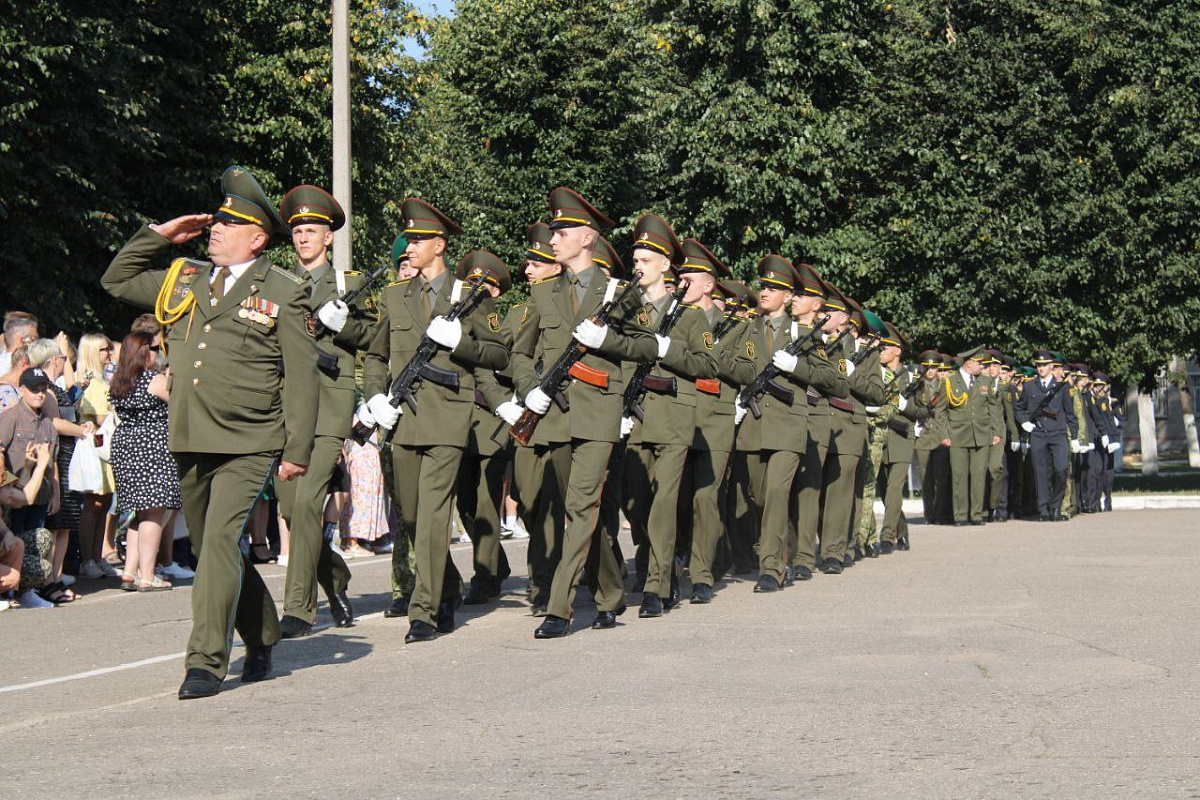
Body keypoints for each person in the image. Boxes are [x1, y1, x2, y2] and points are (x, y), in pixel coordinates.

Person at [102, 165, 319, 700]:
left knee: (220, 540)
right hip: (191, 434)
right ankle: (263, 632)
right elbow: (117, 280)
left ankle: (204, 661)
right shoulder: (187, 278)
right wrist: (160, 235)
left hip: (250, 438)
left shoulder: (284, 291)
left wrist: (297, 449)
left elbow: (301, 376)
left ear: (257, 238)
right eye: (215, 221)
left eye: (229, 224)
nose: (215, 229)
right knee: (212, 547)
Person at [510, 187, 655, 638]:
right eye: (553, 232)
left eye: (562, 232)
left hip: (597, 415)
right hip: (553, 416)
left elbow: (649, 347)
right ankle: (610, 593)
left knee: (580, 505)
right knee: (582, 513)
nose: (553, 239)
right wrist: (529, 390)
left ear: (587, 238)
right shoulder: (543, 292)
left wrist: (607, 341)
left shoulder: (618, 292)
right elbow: (519, 353)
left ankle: (560, 608)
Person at [361, 199, 508, 643]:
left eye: (418, 239)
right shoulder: (395, 296)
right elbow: (375, 356)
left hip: (448, 418)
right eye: (408, 239)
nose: (409, 247)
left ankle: (423, 612)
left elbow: (498, 354)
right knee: (411, 515)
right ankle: (445, 587)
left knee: (433, 517)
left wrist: (461, 342)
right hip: (404, 419)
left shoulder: (469, 295)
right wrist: (374, 397)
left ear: (439, 245)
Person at [272, 184, 373, 638]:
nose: (303, 238)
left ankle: (298, 609)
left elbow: (375, 338)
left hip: (329, 407)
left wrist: (343, 325)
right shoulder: (277, 283)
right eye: (298, 232)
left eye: (311, 231)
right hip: (284, 408)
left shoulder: (349, 285)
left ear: (328, 237)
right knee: (292, 510)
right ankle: (334, 579)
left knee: (309, 502)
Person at [620, 214, 717, 616]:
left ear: (665, 265)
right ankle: (663, 561)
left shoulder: (691, 317)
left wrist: (668, 350)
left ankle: (657, 586)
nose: (638, 266)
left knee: (663, 502)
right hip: (634, 416)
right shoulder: (626, 311)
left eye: (646, 259)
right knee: (635, 501)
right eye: (635, 259)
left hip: (674, 417)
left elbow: (708, 364)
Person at [108, 332, 182, 592]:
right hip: (152, 445)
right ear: (144, 353)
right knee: (154, 511)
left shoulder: (119, 381)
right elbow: (180, 403)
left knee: (138, 512)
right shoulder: (154, 380)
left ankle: (130, 572)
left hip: (126, 445)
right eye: (153, 349)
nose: (157, 353)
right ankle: (148, 575)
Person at [27, 338, 93, 596]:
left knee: (66, 521)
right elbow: (55, 422)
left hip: (68, 456)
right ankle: (48, 581)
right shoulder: (48, 389)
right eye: (63, 358)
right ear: (54, 359)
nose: (64, 361)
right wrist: (82, 430)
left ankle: (56, 576)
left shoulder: (56, 387)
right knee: (58, 521)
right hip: (60, 455)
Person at [936, 346, 1002, 526]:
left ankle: (977, 514)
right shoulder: (949, 382)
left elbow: (993, 407)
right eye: (980, 363)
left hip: (981, 434)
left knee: (979, 475)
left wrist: (996, 432)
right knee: (959, 475)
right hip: (957, 435)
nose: (982, 367)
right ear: (969, 363)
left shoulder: (986, 381)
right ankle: (960, 515)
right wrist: (943, 434)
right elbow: (940, 411)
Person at [75, 333, 120, 579]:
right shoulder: (91, 383)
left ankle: (97, 556)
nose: (109, 354)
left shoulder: (103, 380)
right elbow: (100, 417)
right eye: (104, 349)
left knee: (104, 503)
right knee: (93, 504)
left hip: (106, 449)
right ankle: (87, 559)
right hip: (95, 448)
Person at [1015, 350, 1078, 521]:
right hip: (1038, 434)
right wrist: (1024, 422)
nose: (1041, 368)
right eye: (1038, 365)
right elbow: (1019, 408)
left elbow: (1070, 413)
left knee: (1061, 469)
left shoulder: (1062, 387)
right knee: (1040, 472)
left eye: (1044, 365)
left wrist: (1075, 436)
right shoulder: (1029, 386)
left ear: (1051, 366)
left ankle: (1055, 506)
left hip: (1058, 434)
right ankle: (1043, 509)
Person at [0, 368, 61, 534]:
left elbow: (53, 462)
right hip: (14, 495)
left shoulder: (48, 424)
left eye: (43, 390)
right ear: (21, 390)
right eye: (34, 390)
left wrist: (56, 494)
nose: (40, 394)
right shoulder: (10, 417)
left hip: (40, 496)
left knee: (37, 542)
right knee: (14, 538)